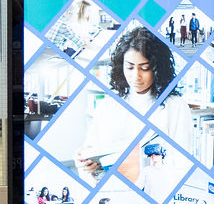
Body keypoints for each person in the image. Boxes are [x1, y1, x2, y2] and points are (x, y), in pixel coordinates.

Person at [76, 26, 192, 192]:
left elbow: (183, 165)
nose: (136, 76)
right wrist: (85, 164)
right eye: (129, 67)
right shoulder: (108, 105)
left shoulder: (175, 105)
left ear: (157, 68)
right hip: (114, 192)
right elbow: (91, 151)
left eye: (144, 68)